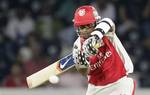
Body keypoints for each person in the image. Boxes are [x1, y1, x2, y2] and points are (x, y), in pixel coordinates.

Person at [72, 5, 136, 95]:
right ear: (77, 28)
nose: (85, 30)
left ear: (96, 23)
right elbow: (84, 72)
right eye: (82, 27)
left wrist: (94, 38)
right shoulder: (77, 46)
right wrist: (82, 64)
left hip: (119, 82)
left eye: (89, 25)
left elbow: (108, 22)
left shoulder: (106, 31)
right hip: (96, 88)